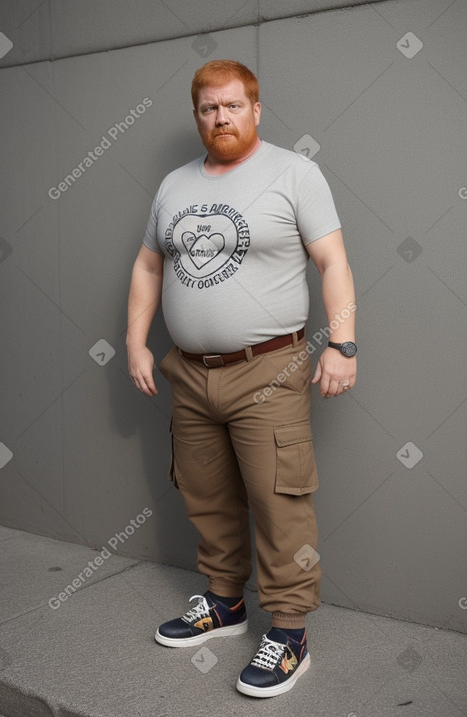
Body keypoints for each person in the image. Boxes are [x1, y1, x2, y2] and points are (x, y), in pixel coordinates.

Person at [126, 59, 357, 698]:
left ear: (256, 109)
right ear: (196, 115)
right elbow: (149, 266)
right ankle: (225, 602)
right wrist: (135, 342)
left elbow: (332, 260)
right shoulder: (174, 185)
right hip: (189, 373)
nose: (220, 117)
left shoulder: (293, 172)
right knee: (205, 492)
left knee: (279, 501)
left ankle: (289, 632)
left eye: (232, 106)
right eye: (208, 108)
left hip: (270, 370)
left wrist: (343, 343)